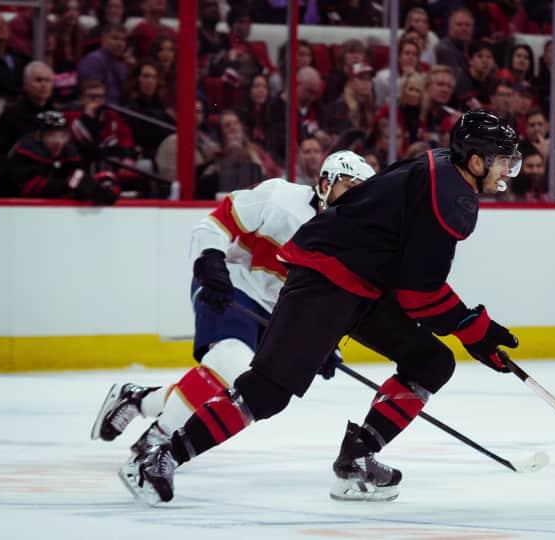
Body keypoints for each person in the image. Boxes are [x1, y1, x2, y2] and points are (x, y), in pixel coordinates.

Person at [119, 110, 522, 505]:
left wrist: (471, 327)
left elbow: (412, 282)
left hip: (362, 283)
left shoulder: (439, 167)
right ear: (475, 160)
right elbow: (419, 294)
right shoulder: (451, 196)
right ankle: (162, 456)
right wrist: (475, 330)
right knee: (267, 392)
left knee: (431, 361)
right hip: (327, 278)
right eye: (504, 160)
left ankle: (356, 460)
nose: (509, 170)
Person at [91, 150, 375, 476]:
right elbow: (215, 222)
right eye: (349, 187)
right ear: (326, 182)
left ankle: (140, 400)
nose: (354, 198)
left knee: (236, 385)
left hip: (279, 317)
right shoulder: (280, 198)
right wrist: (210, 261)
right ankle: (155, 443)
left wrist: (324, 342)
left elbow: (331, 301)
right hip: (232, 289)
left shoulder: (351, 240)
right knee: (231, 363)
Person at [0, 110, 118, 204]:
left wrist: (98, 187)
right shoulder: (24, 152)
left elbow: (79, 178)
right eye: (51, 135)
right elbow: (28, 188)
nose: (58, 141)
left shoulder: (70, 153)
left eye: (62, 135)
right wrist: (68, 186)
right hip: (6, 209)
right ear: (39, 136)